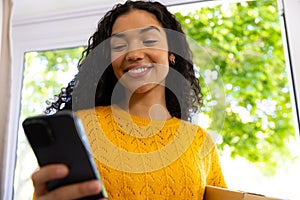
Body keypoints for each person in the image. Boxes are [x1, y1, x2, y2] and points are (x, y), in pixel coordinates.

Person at [31, 0, 227, 199]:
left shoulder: (199, 141)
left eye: (149, 40)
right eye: (120, 45)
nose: (133, 54)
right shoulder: (81, 127)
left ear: (172, 53)